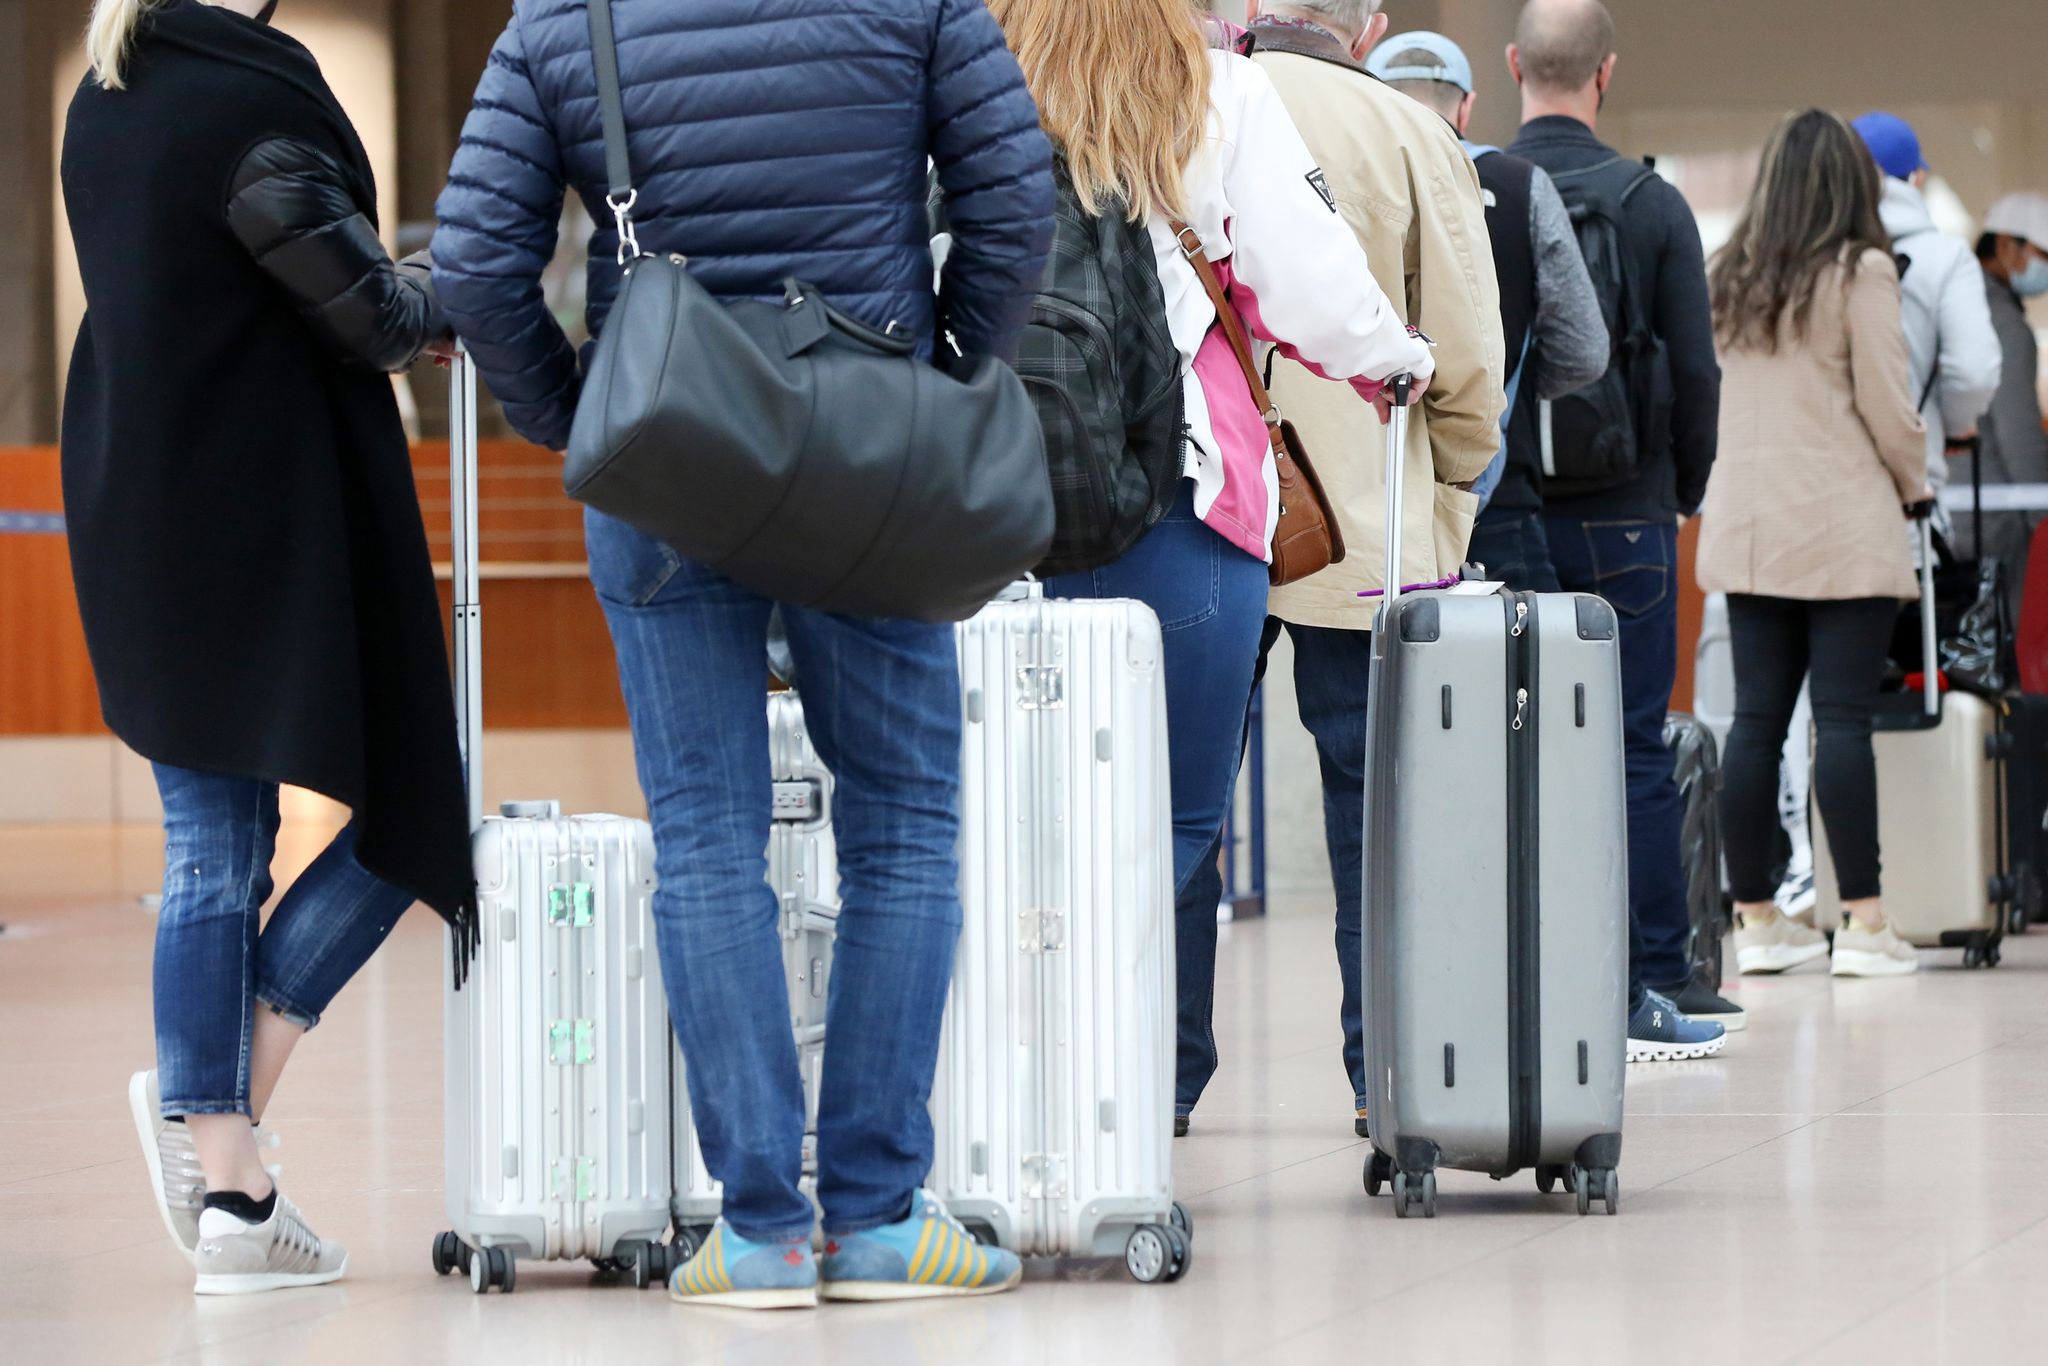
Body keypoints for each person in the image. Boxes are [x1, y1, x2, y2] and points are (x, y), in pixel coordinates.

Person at [432, 0, 1055, 1308]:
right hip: (870, 444)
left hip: (666, 458)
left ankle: (763, 1227)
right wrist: (943, 371)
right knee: (905, 821)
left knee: (707, 835)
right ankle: (879, 1216)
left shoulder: (565, 15)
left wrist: (588, 418)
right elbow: (1014, 201)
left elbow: (479, 266)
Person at [65, 0, 472, 1294]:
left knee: (213, 843)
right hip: (253, 518)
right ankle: (229, 1160)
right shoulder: (248, 101)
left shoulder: (103, 96)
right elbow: (357, 305)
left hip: (137, 497)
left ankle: (215, 1118)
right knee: (404, 821)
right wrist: (443, 302)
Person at [986, 0, 1433, 1139]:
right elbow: (1311, 280)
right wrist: (1394, 359)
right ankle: (1121, 1099)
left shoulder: (970, 77)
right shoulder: (1218, 90)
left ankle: (1007, 1087)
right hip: (1181, 504)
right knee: (1171, 823)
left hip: (988, 502)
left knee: (998, 822)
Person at [1230, 0, 1503, 1141]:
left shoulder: (1182, 108)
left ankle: (1159, 1074)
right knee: (1373, 808)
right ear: (1369, 23)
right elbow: (1467, 344)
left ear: (1251, 13)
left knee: (1177, 800)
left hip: (1204, 504)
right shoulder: (1408, 132)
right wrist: (1451, 477)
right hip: (1366, 513)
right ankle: (1378, 1073)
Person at [1504, 0, 1731, 1055]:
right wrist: (1675, 491)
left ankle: (1527, 969)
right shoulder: (1652, 205)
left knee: (1510, 754)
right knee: (1634, 748)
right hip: (1628, 522)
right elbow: (1694, 370)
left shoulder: (1482, 187)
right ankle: (1654, 978)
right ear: (1605, 74)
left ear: (1511, 67)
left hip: (1508, 523)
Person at [1699, 109, 1929, 979]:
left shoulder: (1732, 274)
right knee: (1842, 722)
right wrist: (1918, 485)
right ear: (1851, 185)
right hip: (1841, 528)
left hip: (1752, 528)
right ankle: (1865, 926)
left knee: (1755, 723)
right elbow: (1890, 406)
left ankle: (1756, 919)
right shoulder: (1861, 272)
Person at [1368, 30, 1607, 537]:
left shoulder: (1341, 174)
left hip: (1359, 488)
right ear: (1467, 108)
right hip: (1490, 496)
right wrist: (1511, 385)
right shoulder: (1522, 187)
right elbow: (1584, 350)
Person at [1968, 193, 2048, 627]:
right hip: (1998, 523)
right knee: (2002, 660)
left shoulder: (1954, 305)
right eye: (2043, 254)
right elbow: (2020, 437)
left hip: (1953, 517)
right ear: (2003, 246)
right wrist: (2043, 516)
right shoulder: (2005, 325)